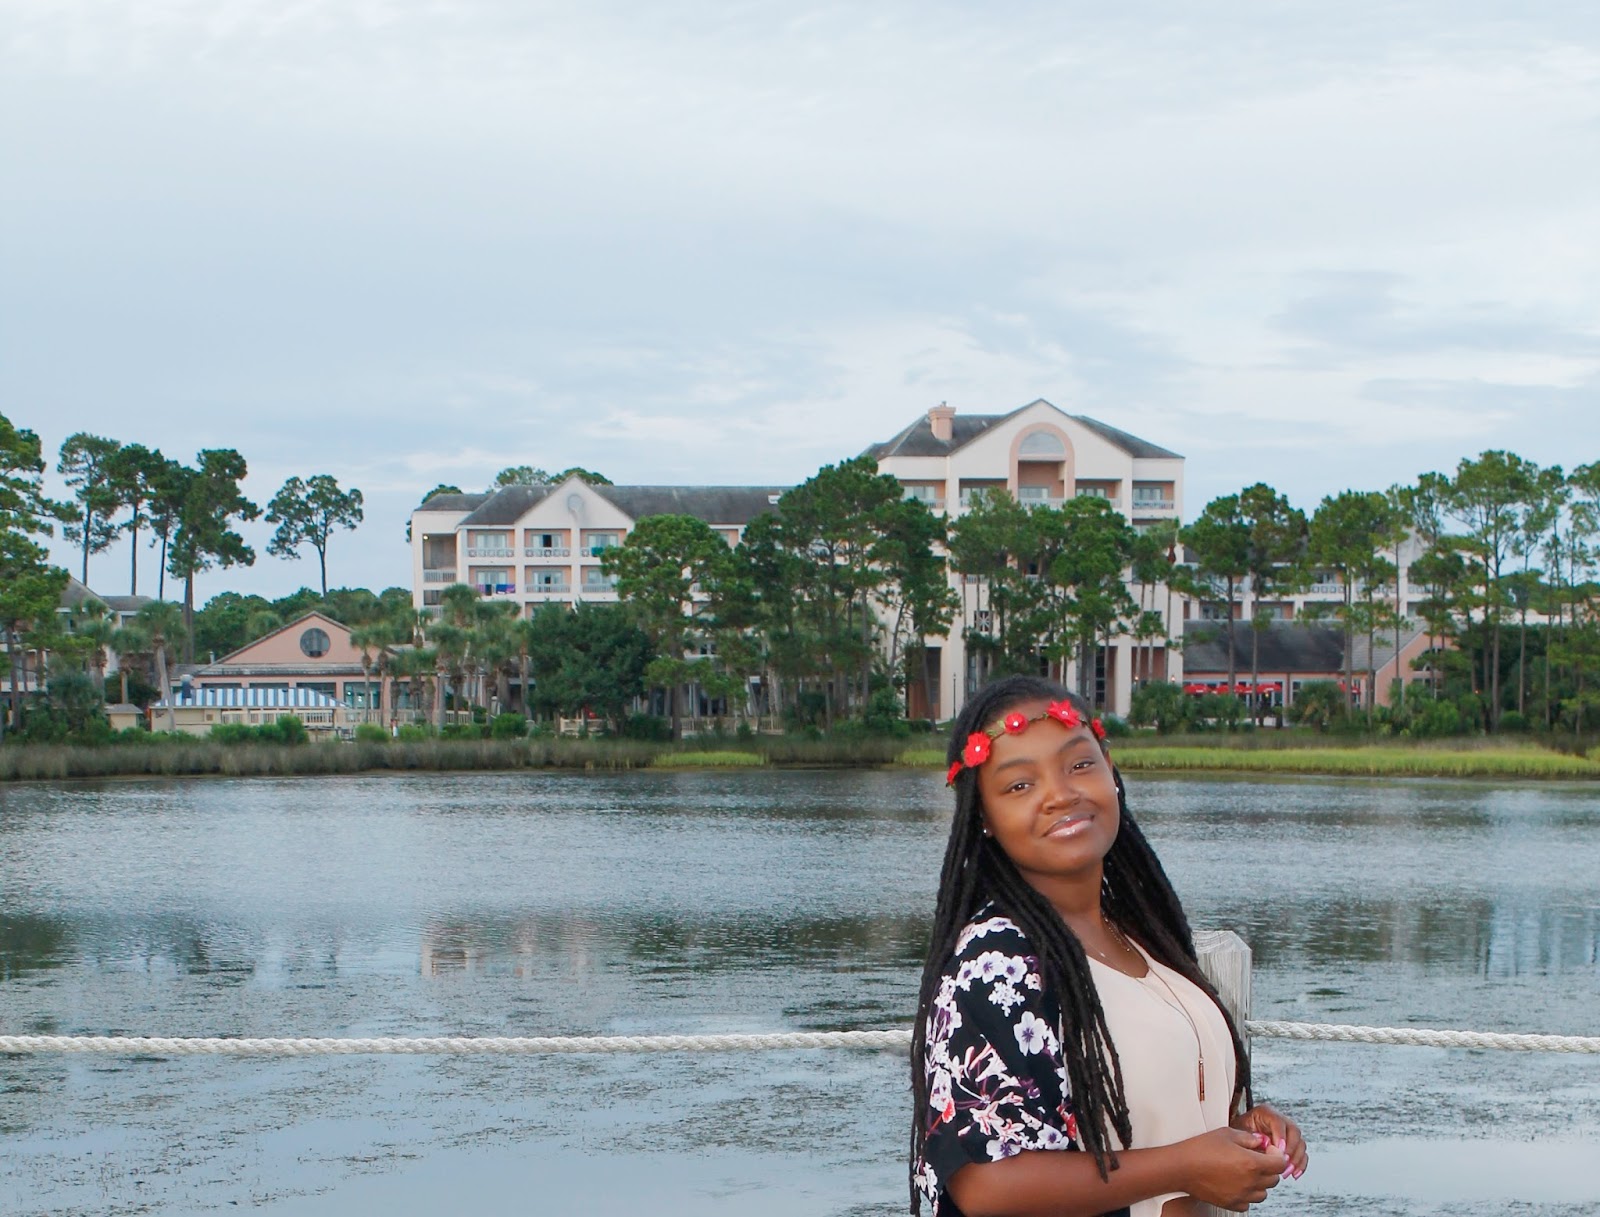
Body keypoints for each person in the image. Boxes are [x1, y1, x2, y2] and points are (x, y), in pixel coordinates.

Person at [910, 675, 1308, 1217]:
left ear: (1110, 771)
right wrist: (1184, 1165)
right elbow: (987, 1185)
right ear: (984, 816)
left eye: (1079, 764)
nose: (1060, 794)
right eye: (1020, 785)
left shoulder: (1141, 935)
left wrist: (1235, 1136)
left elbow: (1138, 1126)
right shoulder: (995, 962)